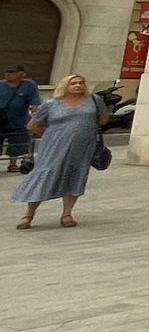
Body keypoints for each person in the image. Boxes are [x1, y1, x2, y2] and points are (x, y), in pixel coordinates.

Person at [12, 74, 107, 229]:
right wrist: (55, 133)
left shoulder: (94, 100)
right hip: (53, 147)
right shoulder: (51, 104)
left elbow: (102, 120)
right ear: (65, 86)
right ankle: (28, 215)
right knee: (44, 175)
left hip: (82, 147)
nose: (78, 85)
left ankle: (67, 214)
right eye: (73, 83)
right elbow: (32, 126)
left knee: (76, 175)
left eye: (81, 83)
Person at [2, 64, 41, 175]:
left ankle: (13, 164)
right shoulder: (1, 85)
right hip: (1, 119)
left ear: (21, 74)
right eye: (7, 72)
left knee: (17, 143)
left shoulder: (29, 85)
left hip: (18, 119)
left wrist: (35, 119)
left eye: (12, 72)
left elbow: (35, 103)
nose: (8, 74)